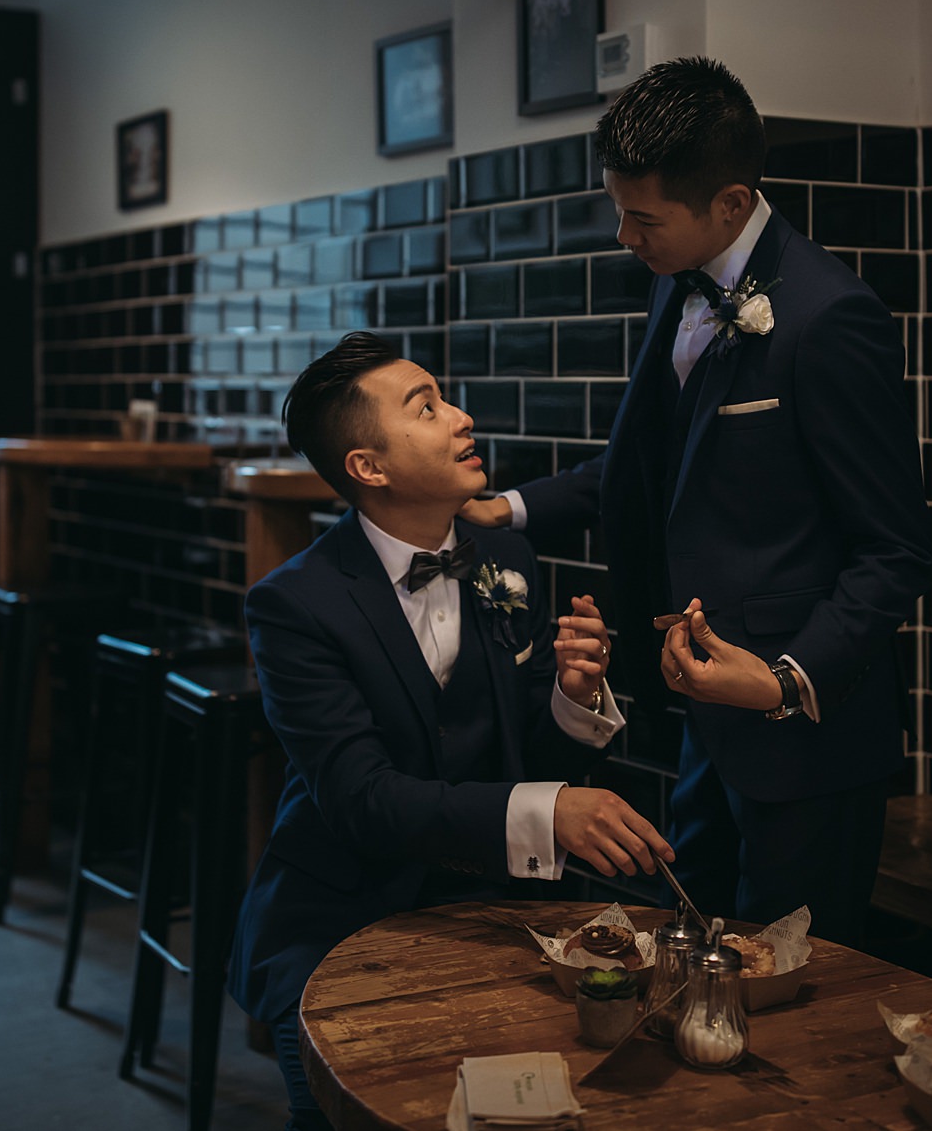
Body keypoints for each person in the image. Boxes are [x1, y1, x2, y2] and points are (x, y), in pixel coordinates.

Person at [466, 57, 932, 945]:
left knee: (794, 990)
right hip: (706, 723)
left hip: (810, 741)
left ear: (728, 203)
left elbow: (896, 550)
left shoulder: (831, 317)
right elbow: (649, 465)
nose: (621, 234)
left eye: (641, 217)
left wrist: (786, 680)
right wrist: (512, 510)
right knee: (698, 964)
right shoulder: (674, 282)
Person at [227, 332, 675, 1131]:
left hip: (492, 910)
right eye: (426, 408)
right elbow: (361, 801)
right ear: (369, 467)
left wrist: (572, 697)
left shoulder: (505, 556)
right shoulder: (295, 603)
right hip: (340, 915)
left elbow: (528, 756)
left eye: (446, 398)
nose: (462, 418)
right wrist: (551, 812)